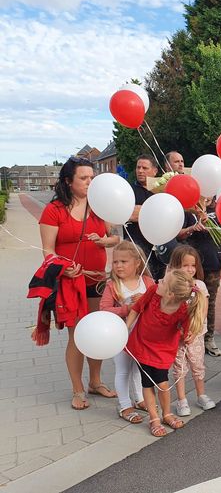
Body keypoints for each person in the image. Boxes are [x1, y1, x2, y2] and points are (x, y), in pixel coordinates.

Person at [39, 156, 120, 410]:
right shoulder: (54, 210)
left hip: (96, 280)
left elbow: (114, 238)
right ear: (68, 181)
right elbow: (47, 250)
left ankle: (95, 382)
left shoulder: (99, 205)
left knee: (96, 330)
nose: (89, 183)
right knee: (77, 335)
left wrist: (103, 242)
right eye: (83, 178)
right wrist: (64, 269)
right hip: (69, 282)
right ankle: (77, 388)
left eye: (92, 178)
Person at [125, 269, 205, 437]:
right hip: (141, 345)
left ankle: (166, 413)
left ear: (169, 293)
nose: (158, 280)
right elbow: (137, 308)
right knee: (147, 382)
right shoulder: (153, 291)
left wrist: (189, 335)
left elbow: (187, 330)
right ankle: (154, 418)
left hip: (162, 351)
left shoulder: (182, 309)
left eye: (162, 281)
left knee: (162, 383)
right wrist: (125, 328)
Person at [99, 241, 155, 424]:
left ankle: (139, 398)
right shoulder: (112, 285)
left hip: (143, 335)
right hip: (121, 335)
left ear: (137, 263)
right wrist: (128, 307)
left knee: (139, 368)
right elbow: (104, 310)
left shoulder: (147, 282)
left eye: (124, 261)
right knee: (123, 370)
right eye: (115, 262)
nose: (118, 266)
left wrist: (146, 302)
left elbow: (157, 304)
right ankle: (124, 405)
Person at [169, 245, 216, 416]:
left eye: (193, 265)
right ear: (175, 266)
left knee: (197, 364)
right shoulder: (171, 286)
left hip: (195, 334)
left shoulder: (200, 285)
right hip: (177, 335)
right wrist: (180, 331)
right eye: (185, 265)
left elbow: (203, 311)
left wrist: (194, 332)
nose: (190, 269)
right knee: (179, 367)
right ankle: (181, 399)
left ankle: (201, 394)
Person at [179, 197, 221, 358]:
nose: (205, 199)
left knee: (209, 302)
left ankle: (208, 339)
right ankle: (187, 335)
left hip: (212, 262)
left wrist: (210, 224)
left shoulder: (218, 210)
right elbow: (178, 234)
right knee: (188, 300)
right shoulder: (186, 211)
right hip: (190, 265)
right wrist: (192, 227)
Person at [123, 155, 166, 281]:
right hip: (136, 249)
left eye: (145, 168)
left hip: (159, 251)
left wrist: (142, 212)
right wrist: (155, 213)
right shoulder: (129, 191)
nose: (140, 170)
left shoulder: (161, 192)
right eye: (138, 167)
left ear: (155, 171)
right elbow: (130, 214)